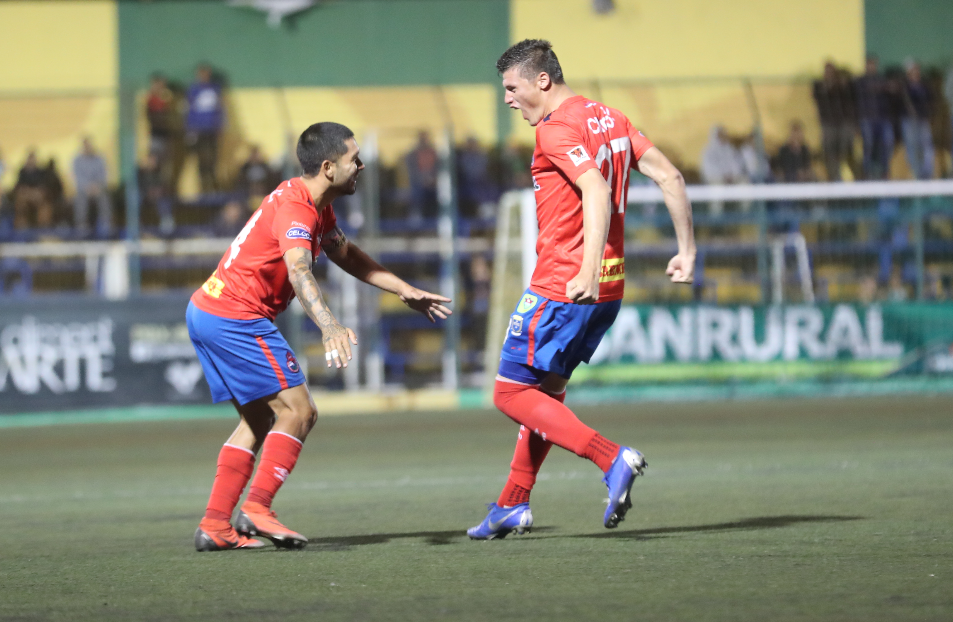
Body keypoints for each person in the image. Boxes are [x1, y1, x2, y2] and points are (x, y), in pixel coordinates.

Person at [467, 40, 695, 540]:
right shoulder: (612, 118)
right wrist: (687, 250)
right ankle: (513, 502)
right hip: (608, 289)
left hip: (565, 284)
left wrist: (586, 269)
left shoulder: (554, 128)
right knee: (547, 394)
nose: (507, 99)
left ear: (542, 80)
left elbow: (595, 188)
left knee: (509, 392)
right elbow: (671, 176)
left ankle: (611, 458)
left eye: (512, 88)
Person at [188, 122, 452, 551]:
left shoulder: (315, 205)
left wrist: (403, 288)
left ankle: (216, 525)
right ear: (329, 167)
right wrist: (329, 325)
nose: (361, 165)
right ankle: (257, 509)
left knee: (260, 419)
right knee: (300, 411)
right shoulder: (298, 210)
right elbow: (298, 269)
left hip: (208, 310)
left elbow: (344, 253)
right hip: (236, 317)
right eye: (354, 159)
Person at [813, 62, 857, 181]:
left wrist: (842, 85)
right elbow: (818, 96)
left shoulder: (844, 87)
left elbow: (850, 101)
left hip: (843, 122)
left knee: (845, 150)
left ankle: (854, 176)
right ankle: (834, 177)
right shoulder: (819, 85)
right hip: (828, 123)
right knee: (829, 150)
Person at [854, 55, 896, 179]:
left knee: (888, 143)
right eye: (870, 64)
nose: (872, 67)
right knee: (868, 145)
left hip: (883, 117)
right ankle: (866, 172)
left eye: (874, 64)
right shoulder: (860, 81)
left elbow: (892, 90)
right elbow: (867, 89)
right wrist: (883, 87)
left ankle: (885, 170)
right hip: (867, 118)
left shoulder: (882, 79)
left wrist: (888, 87)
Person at [186, 64, 224, 193]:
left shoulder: (215, 89)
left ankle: (213, 188)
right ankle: (204, 188)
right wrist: (190, 129)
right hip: (198, 130)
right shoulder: (194, 89)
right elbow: (190, 110)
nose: (204, 76)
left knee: (212, 160)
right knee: (201, 160)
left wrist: (220, 126)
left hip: (212, 130)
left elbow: (220, 109)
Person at [900, 60, 935, 180]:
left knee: (926, 146)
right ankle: (917, 173)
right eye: (913, 70)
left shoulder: (924, 85)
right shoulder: (904, 87)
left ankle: (927, 173)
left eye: (917, 70)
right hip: (909, 120)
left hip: (923, 119)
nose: (916, 72)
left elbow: (930, 100)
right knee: (912, 147)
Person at [72, 138, 111, 237]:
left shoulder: (99, 159)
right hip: (84, 189)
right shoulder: (77, 161)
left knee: (104, 197)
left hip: (98, 188)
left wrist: (97, 186)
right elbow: (77, 178)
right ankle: (81, 226)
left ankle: (105, 224)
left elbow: (103, 175)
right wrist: (87, 187)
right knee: (80, 199)